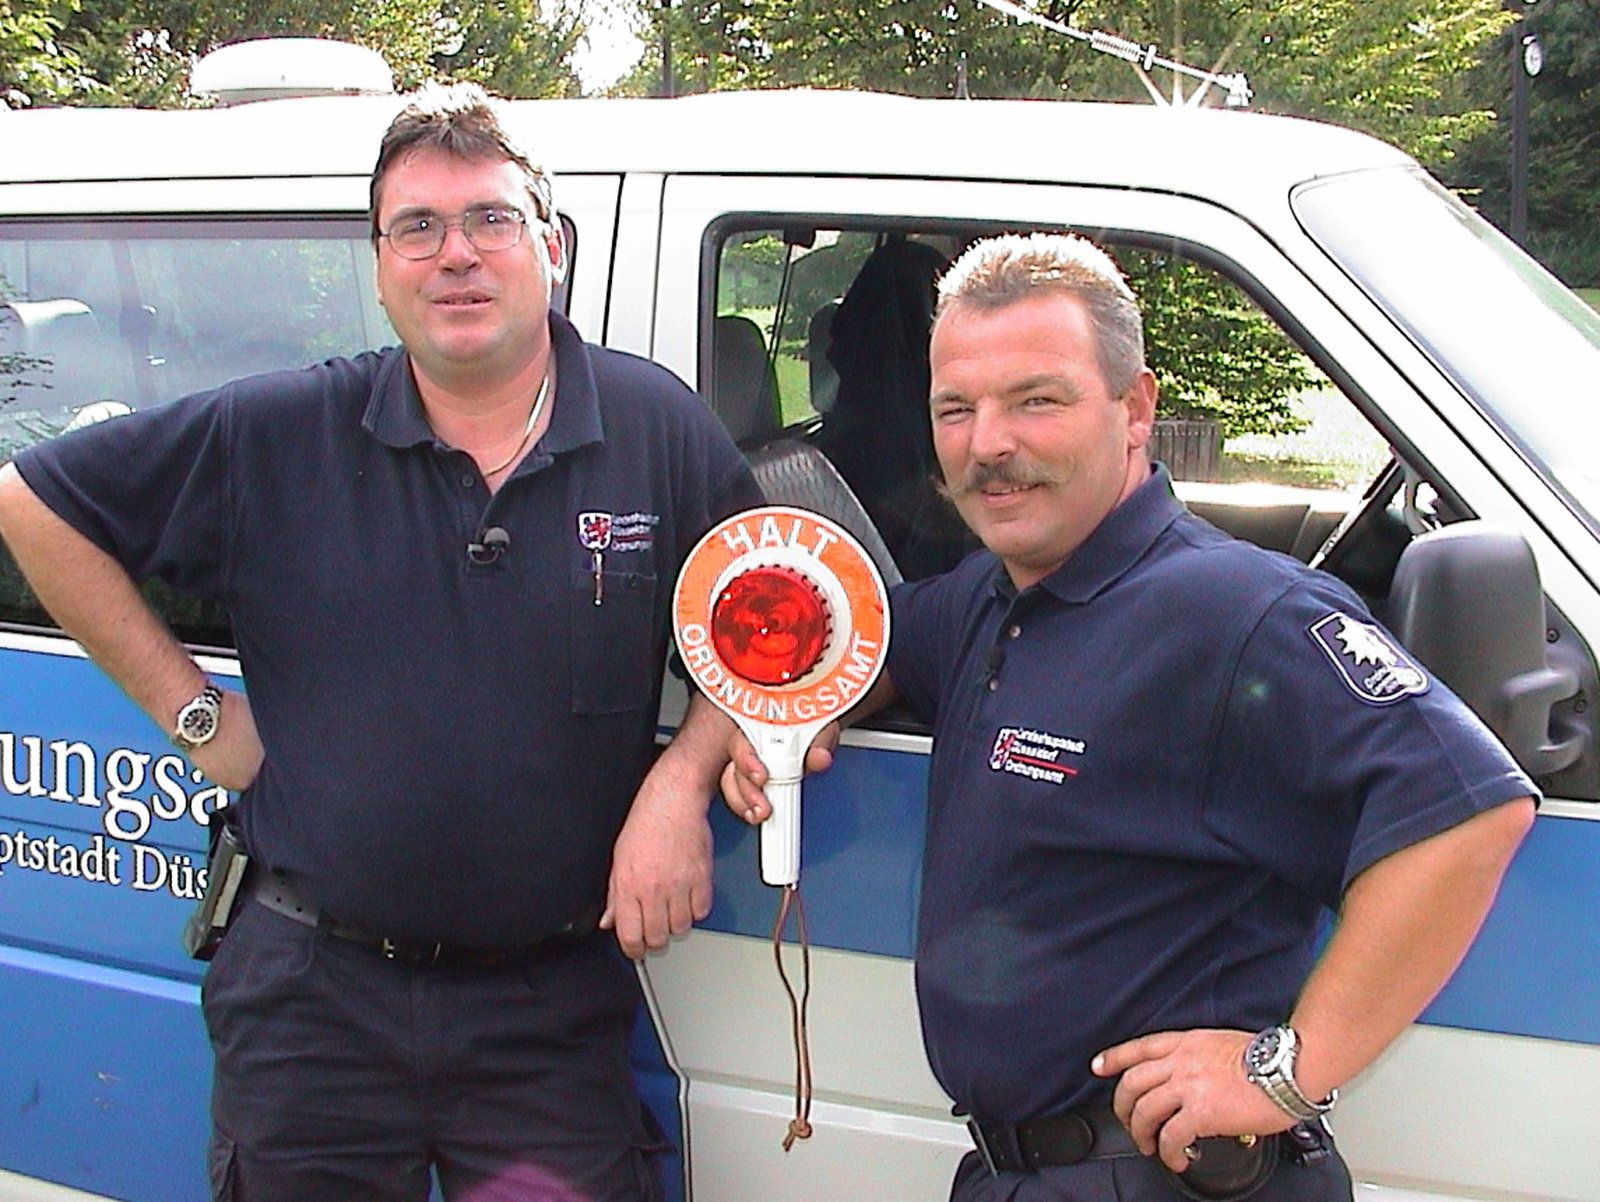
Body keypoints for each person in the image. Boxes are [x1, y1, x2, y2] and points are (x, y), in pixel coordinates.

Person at [0, 83, 761, 1202]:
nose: (456, 254)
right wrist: (196, 716)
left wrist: (681, 781)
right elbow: (31, 501)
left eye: (490, 219)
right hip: (313, 999)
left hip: (548, 1006)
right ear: (379, 266)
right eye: (418, 227)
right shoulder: (278, 431)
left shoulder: (655, 426)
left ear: (549, 246)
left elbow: (781, 619)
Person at [722, 232, 1537, 1201]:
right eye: (956, 409)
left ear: (1136, 408)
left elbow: (1468, 814)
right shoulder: (992, 595)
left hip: (1160, 1175)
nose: (989, 443)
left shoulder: (1241, 615)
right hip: (1018, 1170)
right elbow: (868, 645)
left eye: (1036, 400)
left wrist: (1282, 1073)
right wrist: (798, 709)